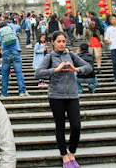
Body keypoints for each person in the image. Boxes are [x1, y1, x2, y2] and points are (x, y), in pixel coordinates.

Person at [35, 31, 92, 168]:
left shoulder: (71, 55)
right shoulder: (49, 57)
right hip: (56, 96)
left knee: (76, 126)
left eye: (63, 41)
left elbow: (88, 67)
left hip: (72, 95)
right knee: (60, 127)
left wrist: (76, 69)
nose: (61, 44)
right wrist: (55, 70)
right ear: (53, 42)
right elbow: (37, 73)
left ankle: (72, 153)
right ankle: (64, 155)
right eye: (59, 41)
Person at [0, 21, 30, 97]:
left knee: (5, 74)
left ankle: (4, 93)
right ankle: (22, 92)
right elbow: (19, 26)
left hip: (5, 53)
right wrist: (10, 24)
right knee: (18, 72)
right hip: (15, 52)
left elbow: (0, 44)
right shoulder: (11, 28)